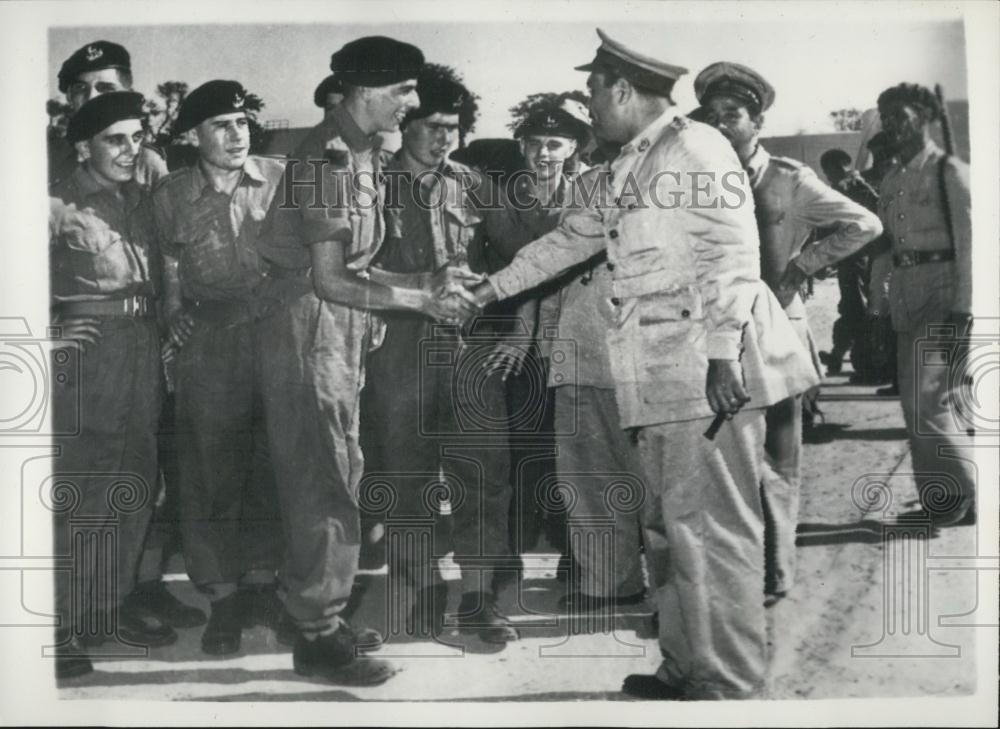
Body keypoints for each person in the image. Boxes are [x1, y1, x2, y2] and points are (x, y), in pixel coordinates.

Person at [468, 29, 819, 700]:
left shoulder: (695, 149)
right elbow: (572, 239)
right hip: (657, 374)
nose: (590, 105)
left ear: (623, 89)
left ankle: (730, 683)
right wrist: (489, 288)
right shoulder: (635, 160)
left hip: (705, 372)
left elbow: (732, 256)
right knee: (666, 530)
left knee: (712, 535)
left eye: (595, 91)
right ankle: (686, 665)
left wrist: (721, 356)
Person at [256, 36, 480, 685]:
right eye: (404, 91)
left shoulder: (360, 154)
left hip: (341, 327)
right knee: (323, 479)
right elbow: (327, 279)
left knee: (338, 471)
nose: (411, 104)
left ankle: (315, 610)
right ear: (364, 91)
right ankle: (318, 635)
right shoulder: (322, 160)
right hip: (310, 327)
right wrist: (417, 301)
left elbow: (353, 263)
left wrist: (422, 284)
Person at [695, 61, 883, 606]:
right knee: (722, 461)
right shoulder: (700, 180)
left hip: (777, 334)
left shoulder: (788, 179)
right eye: (713, 115)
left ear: (758, 120)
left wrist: (805, 265)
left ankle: (775, 574)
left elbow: (865, 224)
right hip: (718, 341)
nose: (723, 124)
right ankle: (732, 573)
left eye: (734, 114)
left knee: (778, 460)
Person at [364, 63, 531, 643]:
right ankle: (422, 588)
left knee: (483, 474)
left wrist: (518, 332)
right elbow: (345, 268)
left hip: (471, 347)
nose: (444, 138)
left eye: (454, 128)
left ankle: (479, 597)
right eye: (432, 125)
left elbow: (523, 264)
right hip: (399, 348)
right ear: (403, 124)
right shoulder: (368, 185)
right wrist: (415, 288)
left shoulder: (478, 185)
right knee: (404, 475)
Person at [491, 106, 646, 610]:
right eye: (534, 143)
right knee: (544, 450)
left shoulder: (601, 186)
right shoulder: (509, 195)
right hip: (542, 337)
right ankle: (565, 554)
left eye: (555, 145)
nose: (543, 153)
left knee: (602, 458)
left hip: (597, 337)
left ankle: (591, 561)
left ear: (576, 147)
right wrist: (522, 330)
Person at [152, 80, 287, 656]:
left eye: (242, 122)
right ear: (193, 136)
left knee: (274, 464)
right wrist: (173, 311)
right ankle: (224, 599)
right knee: (209, 472)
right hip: (210, 340)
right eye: (221, 125)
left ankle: (265, 584)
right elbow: (168, 258)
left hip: (277, 335)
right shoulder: (170, 193)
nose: (237, 134)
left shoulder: (280, 177)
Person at [49, 92, 177, 679]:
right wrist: (45, 330)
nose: (131, 150)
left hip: (142, 351)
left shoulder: (141, 202)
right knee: (84, 490)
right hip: (89, 362)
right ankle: (60, 623)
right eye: (115, 139)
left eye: (136, 137)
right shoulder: (52, 206)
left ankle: (104, 608)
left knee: (135, 483)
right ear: (84, 147)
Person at [876, 83, 975, 526]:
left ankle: (970, 493)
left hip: (942, 291)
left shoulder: (948, 171)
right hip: (906, 297)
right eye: (886, 115)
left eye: (900, 114)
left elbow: (972, 246)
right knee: (916, 406)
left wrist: (963, 310)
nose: (892, 123)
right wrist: (877, 305)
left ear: (926, 116)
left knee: (929, 403)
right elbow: (886, 247)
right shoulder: (893, 178)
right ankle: (944, 500)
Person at [51, 41, 168, 189]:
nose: (91, 97)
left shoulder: (145, 162)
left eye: (105, 88)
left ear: (126, 94)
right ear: (69, 97)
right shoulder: (50, 156)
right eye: (80, 88)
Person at [817, 148, 882, 381]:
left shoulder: (849, 187)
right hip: (853, 258)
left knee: (855, 308)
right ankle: (837, 355)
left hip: (856, 258)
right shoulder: (858, 185)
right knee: (850, 306)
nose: (827, 177)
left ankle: (863, 362)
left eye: (828, 171)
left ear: (835, 168)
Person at [861, 132, 901, 393]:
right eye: (876, 156)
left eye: (884, 155)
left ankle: (897, 377)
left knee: (894, 316)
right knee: (880, 313)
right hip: (884, 257)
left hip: (903, 258)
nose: (879, 161)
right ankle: (891, 374)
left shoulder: (909, 178)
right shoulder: (886, 180)